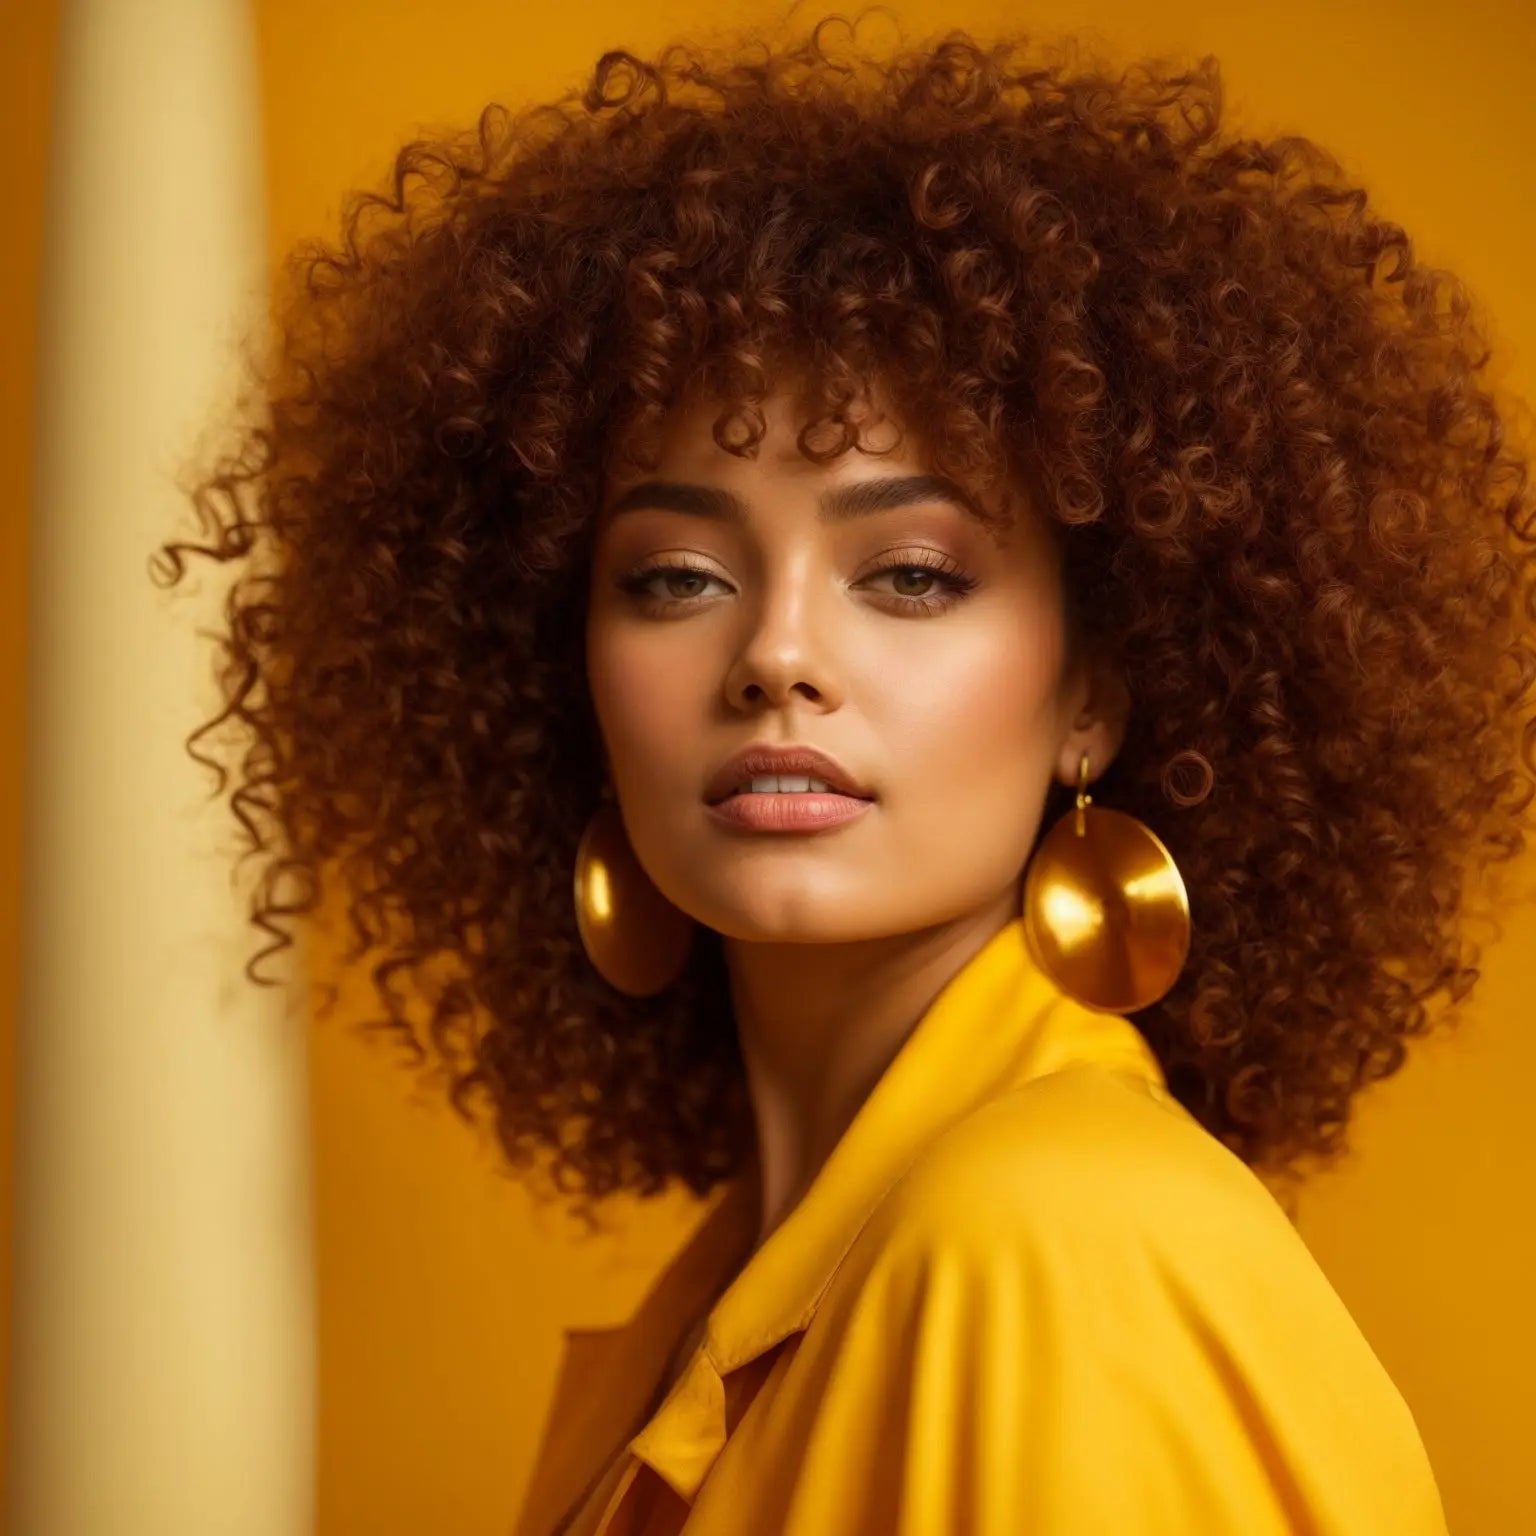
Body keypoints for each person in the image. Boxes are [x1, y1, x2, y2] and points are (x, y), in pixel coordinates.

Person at [154, 13, 1535, 1533]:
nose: (777, 656)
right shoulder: (752, 1288)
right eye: (677, 576)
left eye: (915, 575)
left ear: (1091, 698)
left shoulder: (1052, 1250)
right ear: (567, 676)